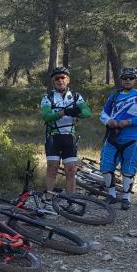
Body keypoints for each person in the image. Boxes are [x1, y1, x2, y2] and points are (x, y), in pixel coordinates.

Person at [99, 67, 137, 211]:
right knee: (105, 166)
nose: (128, 80)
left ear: (136, 80)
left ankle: (126, 197)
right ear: (121, 80)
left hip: (133, 138)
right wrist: (109, 121)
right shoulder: (114, 95)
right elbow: (103, 114)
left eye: (131, 78)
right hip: (113, 137)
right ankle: (111, 195)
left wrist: (129, 121)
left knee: (128, 169)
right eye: (125, 78)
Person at [40, 66, 91, 198]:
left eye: (62, 77)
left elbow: (87, 112)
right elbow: (46, 117)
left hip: (69, 137)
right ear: (53, 81)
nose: (60, 80)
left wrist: (77, 112)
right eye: (56, 78)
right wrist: (63, 112)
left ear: (68, 80)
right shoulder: (48, 97)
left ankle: (71, 200)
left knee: (71, 170)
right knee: (52, 169)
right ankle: (48, 199)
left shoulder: (75, 96)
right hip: (53, 137)